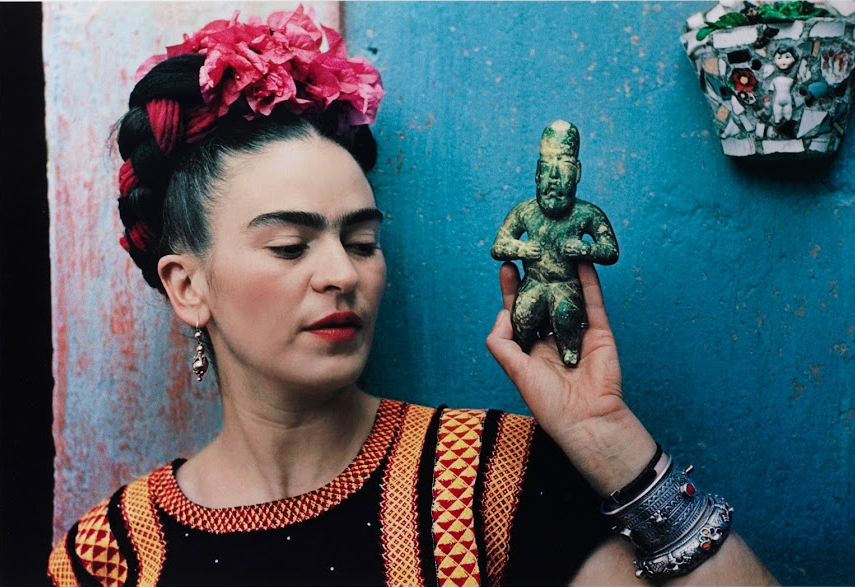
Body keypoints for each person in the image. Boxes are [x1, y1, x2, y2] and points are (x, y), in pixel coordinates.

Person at [48, 8, 776, 587]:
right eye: (289, 245)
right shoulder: (107, 554)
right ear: (186, 285)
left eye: (361, 241)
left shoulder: (488, 481)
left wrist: (608, 440)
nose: (342, 271)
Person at [491, 120, 619, 366]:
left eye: (565, 166)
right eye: (547, 167)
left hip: (567, 285)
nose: (554, 177)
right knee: (524, 314)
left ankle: (569, 349)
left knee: (567, 314)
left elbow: (610, 250)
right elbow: (499, 246)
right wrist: (521, 248)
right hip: (534, 283)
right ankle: (523, 345)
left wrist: (586, 249)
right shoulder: (525, 212)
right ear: (537, 173)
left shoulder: (586, 214)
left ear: (578, 173)